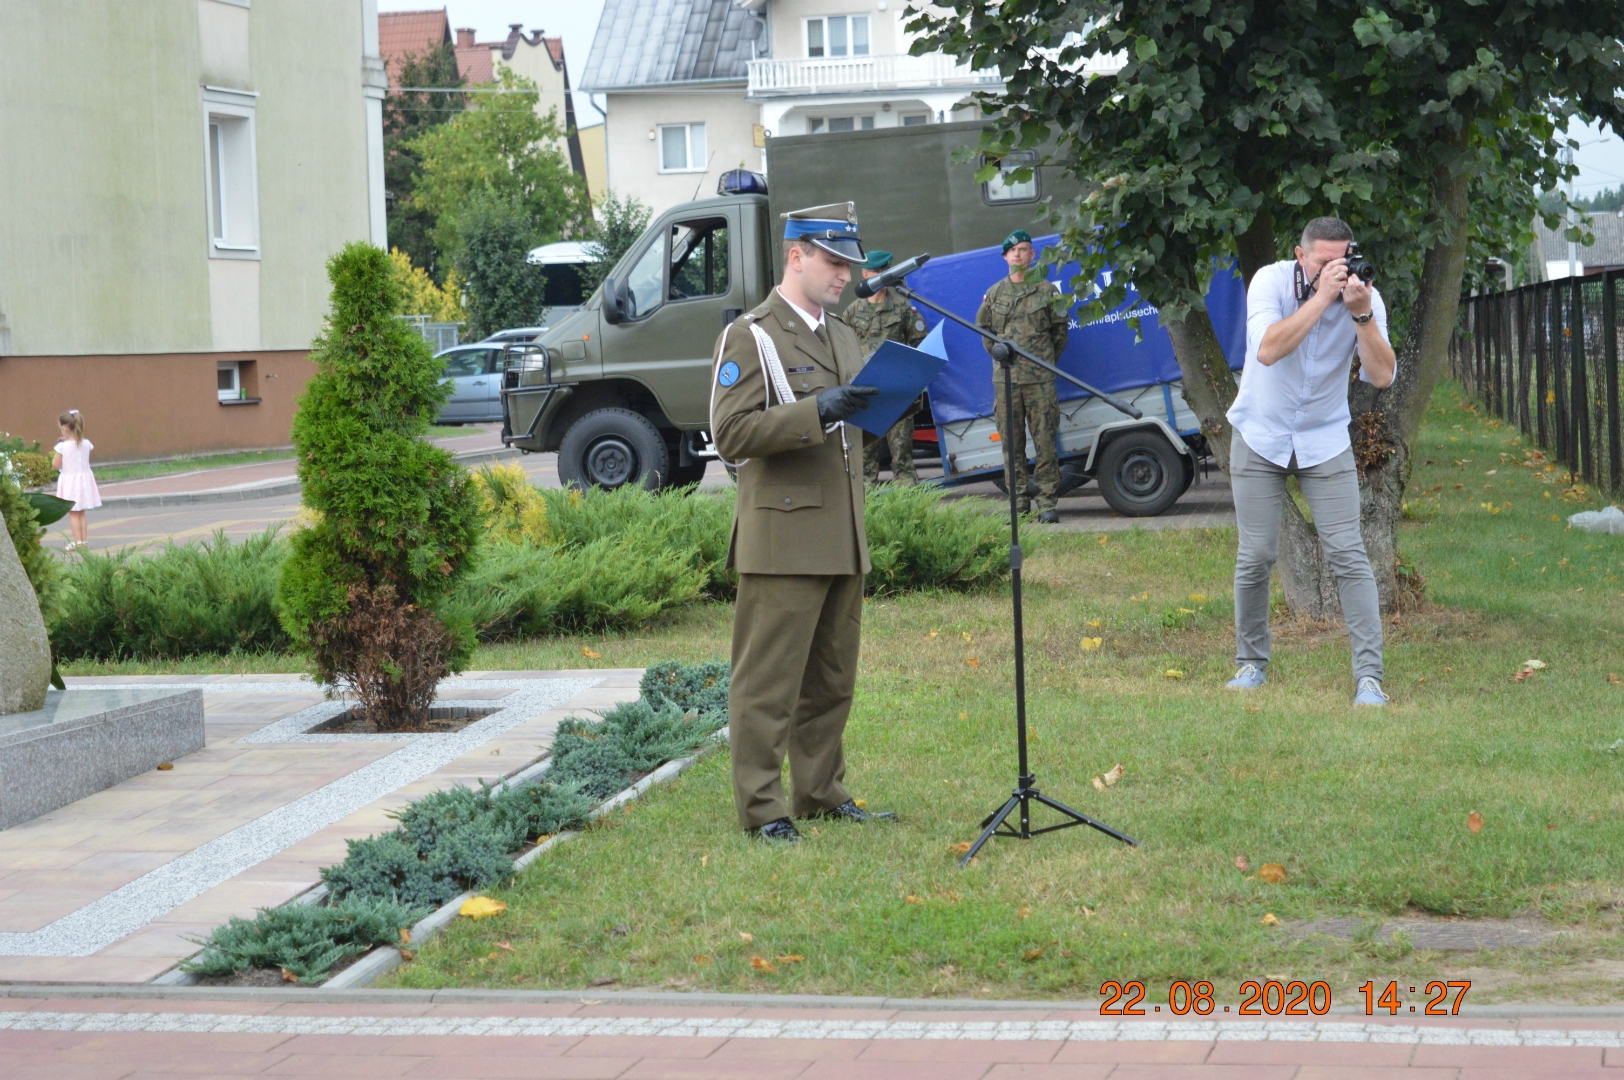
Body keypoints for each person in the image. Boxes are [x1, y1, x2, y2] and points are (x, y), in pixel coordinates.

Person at [709, 202, 898, 843]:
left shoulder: (842, 334)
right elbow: (730, 434)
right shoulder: (753, 335)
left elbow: (852, 432)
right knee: (767, 684)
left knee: (831, 680)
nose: (846, 274)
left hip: (841, 531)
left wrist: (890, 403)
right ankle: (762, 809)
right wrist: (817, 411)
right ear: (797, 255)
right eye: (834, 261)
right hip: (783, 537)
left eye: (850, 264)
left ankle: (820, 792)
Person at [1225, 216, 1397, 706]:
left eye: (1344, 258)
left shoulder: (1365, 296)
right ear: (1301, 256)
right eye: (1325, 261)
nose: (1338, 270)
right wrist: (1321, 298)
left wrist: (1361, 316)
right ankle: (1251, 664)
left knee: (1348, 553)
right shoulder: (1271, 281)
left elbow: (1382, 376)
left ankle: (1369, 679)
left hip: (1324, 438)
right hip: (1261, 433)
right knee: (1256, 554)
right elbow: (1267, 350)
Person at [976, 230, 1069, 523]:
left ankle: (1047, 504)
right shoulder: (994, 294)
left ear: (1032, 255)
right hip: (1006, 381)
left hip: (1040, 381)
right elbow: (986, 334)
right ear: (1005, 256)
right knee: (1012, 446)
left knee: (1045, 443)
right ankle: (1019, 504)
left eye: (1024, 249)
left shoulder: (1047, 291)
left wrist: (1043, 363)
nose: (1018, 254)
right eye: (1012, 250)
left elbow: (1060, 334)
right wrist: (1003, 361)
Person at [847, 250, 929, 485]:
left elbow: (919, 344)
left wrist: (908, 377)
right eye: (875, 272)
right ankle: (867, 501)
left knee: (902, 455)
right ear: (865, 274)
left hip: (896, 392)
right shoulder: (853, 310)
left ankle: (908, 498)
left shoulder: (903, 306)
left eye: (884, 271)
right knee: (864, 459)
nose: (880, 276)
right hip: (866, 393)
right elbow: (843, 347)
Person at [52, 409, 101, 551]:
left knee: (73, 513)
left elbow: (56, 465)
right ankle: (84, 542)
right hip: (84, 482)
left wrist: (59, 448)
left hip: (71, 484)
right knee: (81, 514)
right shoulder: (86, 443)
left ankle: (77, 543)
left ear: (64, 429)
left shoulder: (62, 446)